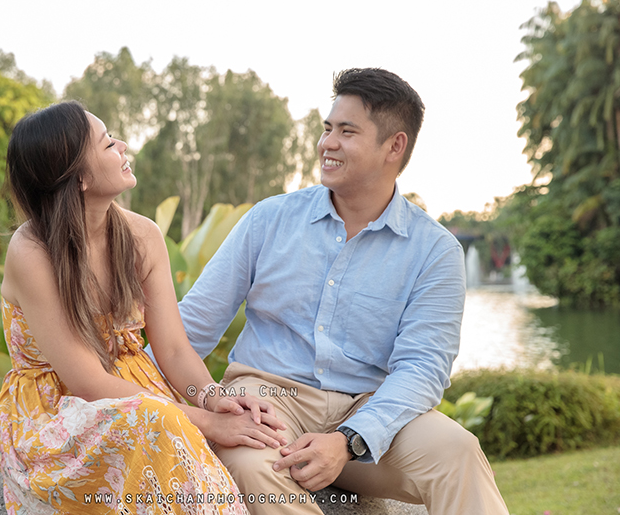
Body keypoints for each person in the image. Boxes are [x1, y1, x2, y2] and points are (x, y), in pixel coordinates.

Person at [175, 69, 509, 515]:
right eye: (327, 129)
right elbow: (190, 328)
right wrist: (127, 395)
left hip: (370, 411)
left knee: (458, 451)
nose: (327, 143)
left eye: (347, 132)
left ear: (395, 146)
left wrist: (349, 440)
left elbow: (422, 367)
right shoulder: (269, 220)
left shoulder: (435, 250)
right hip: (270, 402)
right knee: (259, 471)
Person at [0, 101, 287, 515]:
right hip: (58, 413)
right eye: (109, 142)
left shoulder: (142, 235)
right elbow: (88, 383)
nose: (124, 146)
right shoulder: (31, 253)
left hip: (145, 399)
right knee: (161, 425)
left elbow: (173, 349)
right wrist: (206, 422)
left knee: (165, 426)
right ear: (79, 177)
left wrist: (212, 398)